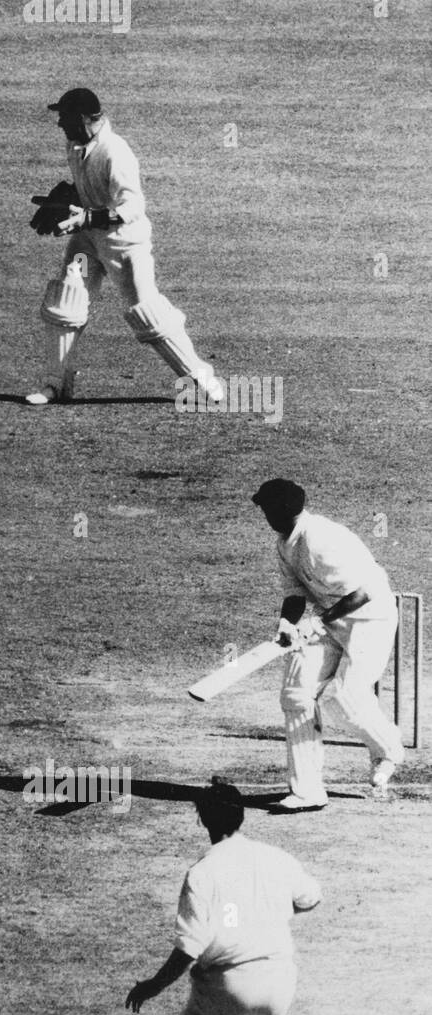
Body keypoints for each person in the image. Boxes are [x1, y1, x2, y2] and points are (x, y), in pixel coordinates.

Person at [25, 88, 222, 406]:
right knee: (67, 299)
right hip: (88, 239)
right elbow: (89, 187)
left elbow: (132, 206)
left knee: (148, 314)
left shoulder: (116, 152)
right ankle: (55, 385)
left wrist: (90, 216)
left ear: (84, 118)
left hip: (123, 244)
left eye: (64, 116)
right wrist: (66, 196)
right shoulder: (76, 145)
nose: (59, 123)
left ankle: (200, 377)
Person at [125, 779, 321, 1015]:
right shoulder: (275, 857)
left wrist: (154, 984)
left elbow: (189, 947)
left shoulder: (201, 873)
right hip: (278, 982)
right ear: (242, 815)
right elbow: (310, 898)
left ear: (202, 821)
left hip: (229, 984)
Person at [252, 478, 404, 811]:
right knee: (295, 693)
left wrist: (318, 621)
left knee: (343, 699)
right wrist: (286, 625)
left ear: (280, 509)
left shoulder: (320, 538)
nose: (262, 513)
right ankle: (307, 791)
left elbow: (363, 593)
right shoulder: (284, 542)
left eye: (265, 507)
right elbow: (294, 595)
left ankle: (388, 749)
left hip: (371, 620)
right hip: (332, 618)